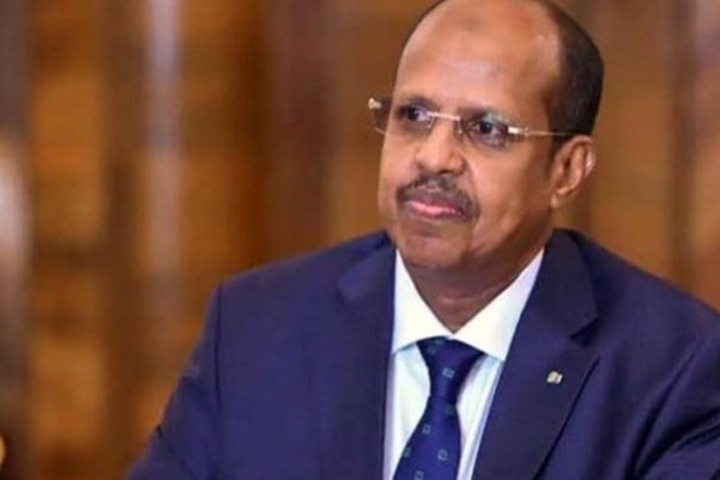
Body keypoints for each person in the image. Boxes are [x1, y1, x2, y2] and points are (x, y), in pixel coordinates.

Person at [128, 0, 720, 478]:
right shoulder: (256, 328)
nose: (434, 157)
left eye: (486, 129)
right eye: (413, 116)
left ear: (566, 170)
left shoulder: (674, 369)